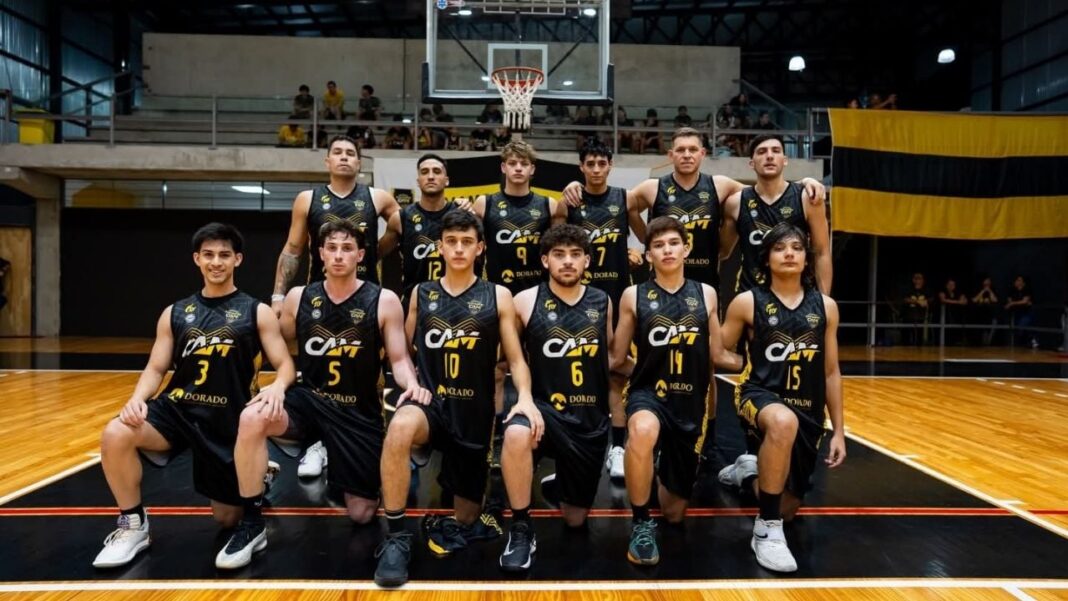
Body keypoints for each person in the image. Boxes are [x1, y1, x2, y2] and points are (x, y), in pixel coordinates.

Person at [563, 128, 825, 473]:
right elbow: (614, 203)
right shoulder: (652, 189)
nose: (686, 155)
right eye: (680, 150)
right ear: (670, 155)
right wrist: (577, 189)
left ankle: (710, 442)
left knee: (707, 368)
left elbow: (764, 192)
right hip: (661, 290)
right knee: (655, 362)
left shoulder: (722, 188)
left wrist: (808, 181)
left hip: (705, 291)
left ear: (703, 154)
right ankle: (637, 439)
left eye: (693, 149)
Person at [218, 221, 430, 569]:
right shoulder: (301, 297)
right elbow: (274, 341)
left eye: (347, 249)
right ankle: (252, 522)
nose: (338, 255)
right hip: (310, 400)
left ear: (361, 255)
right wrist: (274, 382)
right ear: (320, 253)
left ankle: (342, 465)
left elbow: (398, 358)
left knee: (362, 514)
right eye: (331, 248)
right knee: (252, 417)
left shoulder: (383, 299)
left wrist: (411, 384)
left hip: (357, 412)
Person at [92, 223, 296, 569]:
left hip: (226, 420)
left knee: (227, 519)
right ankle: (133, 524)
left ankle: (258, 473)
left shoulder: (255, 311)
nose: (217, 262)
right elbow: (156, 368)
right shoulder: (175, 313)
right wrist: (138, 399)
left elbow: (284, 364)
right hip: (178, 411)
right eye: (209, 255)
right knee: (116, 432)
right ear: (197, 259)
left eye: (224, 255)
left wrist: (277, 385)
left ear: (238, 259)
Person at [373, 210, 543, 588]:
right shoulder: (421, 293)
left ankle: (468, 506)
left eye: (467, 242)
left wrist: (525, 398)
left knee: (466, 520)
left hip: (474, 414)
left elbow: (516, 359)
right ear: (440, 247)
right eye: (452, 241)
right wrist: (408, 385)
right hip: (431, 406)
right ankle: (396, 537)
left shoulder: (498, 295)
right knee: (400, 427)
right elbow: (400, 352)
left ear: (481, 248)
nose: (459, 248)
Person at [717, 221, 845, 573]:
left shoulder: (826, 307)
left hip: (808, 405)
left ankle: (748, 473)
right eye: (779, 248)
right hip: (758, 394)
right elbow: (718, 350)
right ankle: (766, 530)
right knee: (782, 421)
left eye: (797, 248)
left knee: (789, 507)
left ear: (806, 259)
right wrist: (746, 362)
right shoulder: (747, 302)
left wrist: (839, 430)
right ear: (767, 258)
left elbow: (831, 372)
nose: (789, 253)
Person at [609, 217, 728, 566]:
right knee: (642, 431)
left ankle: (655, 469)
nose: (667, 250)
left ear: (687, 249)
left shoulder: (706, 293)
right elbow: (617, 357)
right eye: (658, 246)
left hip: (689, 401)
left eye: (674, 243)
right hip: (649, 395)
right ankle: (641, 523)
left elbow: (716, 354)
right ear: (648, 256)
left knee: (675, 513)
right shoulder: (634, 295)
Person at [500, 224, 612, 571]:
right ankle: (520, 527)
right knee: (516, 433)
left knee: (576, 520)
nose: (567, 262)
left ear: (587, 261)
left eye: (576, 255)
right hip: (543, 409)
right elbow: (510, 357)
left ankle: (562, 479)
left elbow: (609, 359)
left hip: (589, 419)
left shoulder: (602, 300)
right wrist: (522, 398)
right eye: (559, 255)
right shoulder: (525, 300)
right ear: (545, 260)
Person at [566, 138, 642, 479]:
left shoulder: (624, 200)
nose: (596, 169)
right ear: (581, 167)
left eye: (601, 163)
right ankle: (574, 439)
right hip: (578, 299)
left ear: (610, 165)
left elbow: (647, 233)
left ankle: (619, 447)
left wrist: (640, 253)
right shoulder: (568, 202)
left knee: (615, 373)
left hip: (618, 295)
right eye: (590, 164)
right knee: (573, 371)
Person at [272, 134, 400, 309]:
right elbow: (292, 250)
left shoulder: (379, 197)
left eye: (350, 153)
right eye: (338, 152)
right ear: (327, 162)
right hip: (318, 293)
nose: (344, 157)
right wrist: (278, 296)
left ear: (359, 163)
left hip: (367, 295)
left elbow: (402, 228)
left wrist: (375, 251)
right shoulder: (307, 199)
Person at [721, 135, 832, 295]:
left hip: (796, 298)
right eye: (762, 152)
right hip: (750, 297)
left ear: (785, 160)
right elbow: (723, 252)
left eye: (776, 151)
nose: (770, 156)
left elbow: (822, 252)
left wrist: (823, 301)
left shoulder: (807, 197)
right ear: (751, 163)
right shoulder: (735, 203)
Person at [379, 154, 459, 307]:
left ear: (446, 180)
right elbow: (374, 255)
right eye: (424, 172)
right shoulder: (400, 218)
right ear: (418, 181)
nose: (430, 176)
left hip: (454, 301)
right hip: (414, 303)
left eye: (436, 171)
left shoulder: (462, 215)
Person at [1005, 275, 1036, 348]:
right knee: (1017, 330)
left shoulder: (1027, 290)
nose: (1017, 282)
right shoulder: (1012, 290)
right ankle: (1021, 344)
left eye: (1019, 280)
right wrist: (1015, 303)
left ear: (1023, 283)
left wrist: (1013, 303)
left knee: (1023, 326)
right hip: (1016, 313)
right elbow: (1009, 300)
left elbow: (1025, 301)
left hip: (1026, 312)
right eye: (1016, 280)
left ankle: (1032, 341)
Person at [902, 272, 930, 345]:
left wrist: (926, 302)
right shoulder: (908, 289)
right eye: (916, 279)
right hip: (908, 317)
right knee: (906, 339)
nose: (917, 281)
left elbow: (931, 299)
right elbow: (905, 299)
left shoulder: (926, 290)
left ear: (923, 280)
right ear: (913, 280)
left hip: (920, 317)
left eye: (919, 279)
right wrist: (918, 302)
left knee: (919, 339)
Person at [938, 278, 967, 345]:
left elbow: (964, 301)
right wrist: (958, 302)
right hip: (945, 317)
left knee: (955, 337)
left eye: (953, 284)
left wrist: (954, 302)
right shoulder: (942, 292)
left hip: (956, 317)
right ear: (946, 285)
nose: (951, 286)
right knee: (945, 336)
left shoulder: (958, 293)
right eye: (949, 284)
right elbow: (943, 300)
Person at [971, 276, 999, 345]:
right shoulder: (978, 289)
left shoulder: (993, 290)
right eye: (986, 281)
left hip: (990, 317)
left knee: (989, 336)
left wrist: (989, 291)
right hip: (979, 317)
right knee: (981, 336)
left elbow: (995, 300)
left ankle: (987, 346)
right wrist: (983, 291)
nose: (987, 283)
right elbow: (974, 300)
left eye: (989, 281)